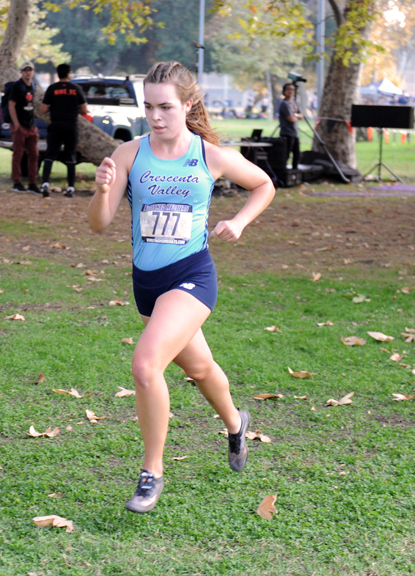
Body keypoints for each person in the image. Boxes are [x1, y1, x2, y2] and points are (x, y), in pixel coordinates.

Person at [88, 61, 275, 514]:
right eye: (149, 107)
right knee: (201, 368)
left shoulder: (209, 155)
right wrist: (102, 189)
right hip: (147, 283)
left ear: (188, 104)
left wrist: (239, 221)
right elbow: (99, 224)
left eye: (166, 107)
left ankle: (151, 473)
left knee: (146, 365)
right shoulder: (129, 154)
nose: (155, 116)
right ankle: (236, 423)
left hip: (192, 275)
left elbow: (263, 185)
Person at [40, 63, 87, 198]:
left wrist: (54, 107)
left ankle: (45, 184)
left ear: (58, 74)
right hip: (71, 125)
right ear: (68, 74)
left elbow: (43, 109)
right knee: (70, 155)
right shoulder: (76, 89)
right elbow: (84, 109)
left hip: (56, 125)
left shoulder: (52, 88)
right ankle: (70, 188)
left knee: (50, 155)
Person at [8, 61, 40, 194]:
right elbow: (11, 105)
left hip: (31, 126)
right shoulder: (17, 86)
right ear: (21, 72)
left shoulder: (34, 85)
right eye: (25, 70)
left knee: (34, 155)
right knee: (18, 155)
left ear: (33, 72)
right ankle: (17, 182)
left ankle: (32, 183)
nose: (28, 73)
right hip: (19, 126)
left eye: (30, 70)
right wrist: (16, 124)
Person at [278, 83, 303, 170]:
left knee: (297, 154)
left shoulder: (294, 103)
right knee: (286, 155)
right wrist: (296, 116)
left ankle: (295, 172)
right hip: (286, 133)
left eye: (292, 89)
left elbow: (301, 116)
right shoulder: (284, 104)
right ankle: (283, 172)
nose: (290, 91)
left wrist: (294, 115)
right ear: (284, 91)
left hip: (295, 133)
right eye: (288, 89)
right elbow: (291, 119)